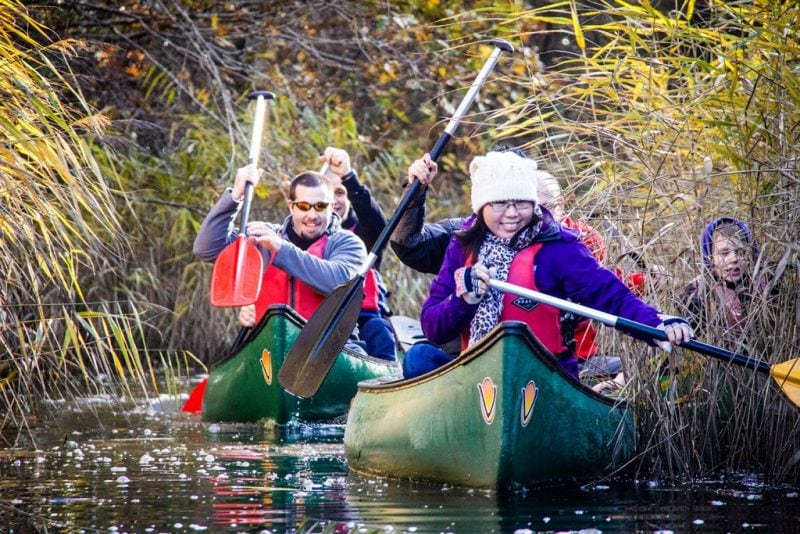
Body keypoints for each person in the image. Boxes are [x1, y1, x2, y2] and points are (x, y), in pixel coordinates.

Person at [400, 149, 693, 379]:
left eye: (522, 203)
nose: (512, 214)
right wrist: (464, 299)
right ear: (482, 206)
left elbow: (608, 294)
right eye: (500, 203)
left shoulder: (559, 244)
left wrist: (655, 323)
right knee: (419, 357)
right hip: (477, 372)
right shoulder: (462, 242)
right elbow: (433, 326)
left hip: (544, 374)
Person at [193, 164, 368, 354]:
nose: (312, 215)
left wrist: (281, 248)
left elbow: (340, 282)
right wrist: (235, 196)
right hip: (270, 348)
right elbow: (206, 249)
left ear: (331, 206)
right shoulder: (262, 236)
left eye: (320, 206)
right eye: (303, 206)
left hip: (331, 348)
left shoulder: (349, 243)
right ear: (291, 206)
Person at [318, 147, 396, 360]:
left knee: (380, 333)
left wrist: (348, 177)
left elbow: (378, 224)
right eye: (328, 194)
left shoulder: (364, 231)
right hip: (321, 319)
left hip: (365, 317)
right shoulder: (307, 234)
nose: (334, 201)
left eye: (341, 193)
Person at [680, 217, 762, 342]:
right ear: (710, 258)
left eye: (741, 252)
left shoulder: (765, 284)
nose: (734, 258)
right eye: (724, 253)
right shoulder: (698, 293)